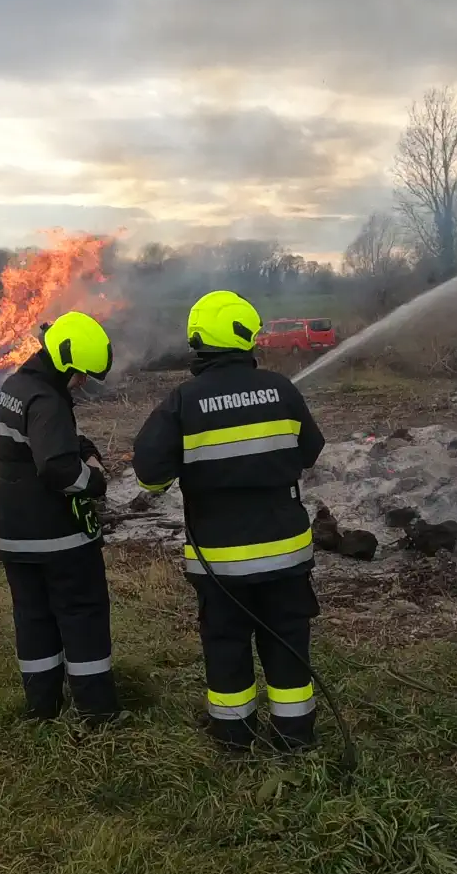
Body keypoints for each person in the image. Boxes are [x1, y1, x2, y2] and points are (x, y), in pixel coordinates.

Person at [132, 290, 325, 751]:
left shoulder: (184, 401)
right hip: (285, 550)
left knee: (226, 644)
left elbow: (149, 475)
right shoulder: (282, 389)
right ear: (246, 337)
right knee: (288, 642)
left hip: (220, 560)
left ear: (199, 340)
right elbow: (310, 452)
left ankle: (234, 737)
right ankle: (295, 737)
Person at [0, 311, 119, 723]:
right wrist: (95, 479)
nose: (81, 383)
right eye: (80, 374)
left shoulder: (18, 385)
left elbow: (34, 446)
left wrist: (78, 444)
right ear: (65, 362)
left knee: (33, 617)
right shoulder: (47, 401)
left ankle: (42, 709)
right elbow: (59, 470)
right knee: (82, 616)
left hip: (13, 529)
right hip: (55, 536)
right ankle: (98, 713)